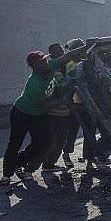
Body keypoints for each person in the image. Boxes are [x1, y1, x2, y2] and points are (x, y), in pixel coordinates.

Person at [0, 39, 96, 186]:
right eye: (40, 63)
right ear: (33, 67)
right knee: (15, 143)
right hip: (22, 113)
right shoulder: (34, 85)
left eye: (45, 60)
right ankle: (7, 175)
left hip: (39, 115)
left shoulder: (51, 66)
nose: (45, 64)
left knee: (42, 142)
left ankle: (20, 162)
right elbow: (45, 105)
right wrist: (63, 101)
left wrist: (87, 46)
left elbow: (68, 56)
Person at [33, 42, 75, 172]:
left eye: (61, 51)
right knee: (49, 142)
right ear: (51, 55)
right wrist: (75, 80)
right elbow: (61, 89)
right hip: (52, 113)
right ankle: (31, 167)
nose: (60, 53)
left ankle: (49, 164)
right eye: (56, 52)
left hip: (66, 113)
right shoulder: (51, 70)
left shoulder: (69, 65)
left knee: (61, 141)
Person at [62, 38, 97, 169]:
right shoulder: (70, 65)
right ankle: (66, 154)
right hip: (75, 103)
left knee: (89, 130)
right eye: (81, 47)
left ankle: (89, 157)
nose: (84, 50)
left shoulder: (86, 63)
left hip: (87, 103)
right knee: (72, 132)